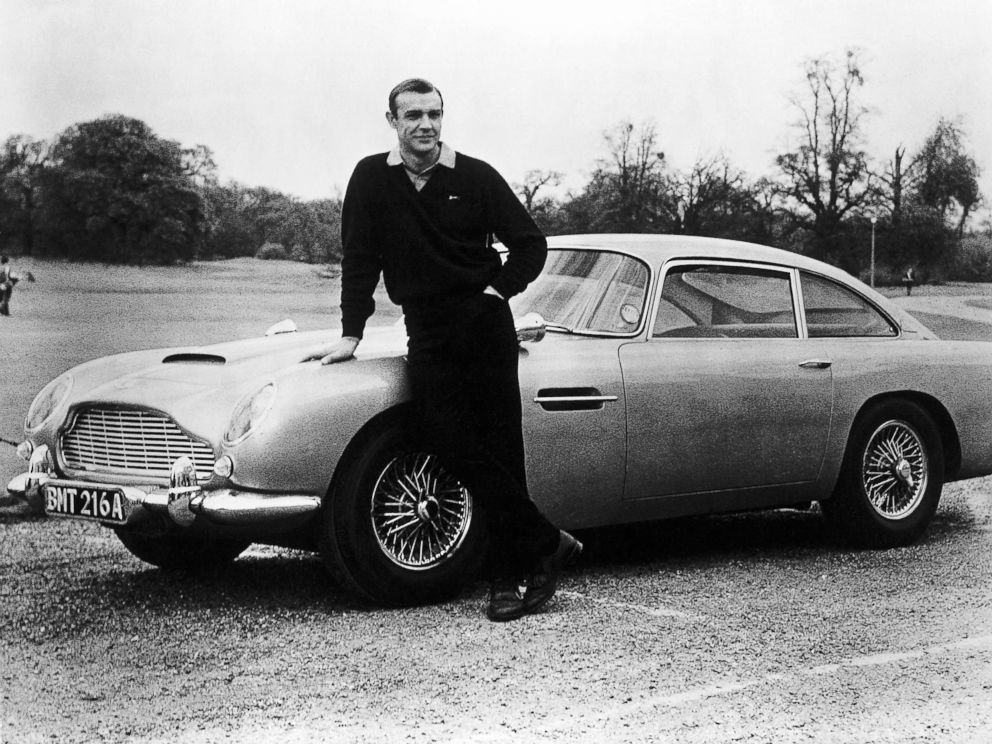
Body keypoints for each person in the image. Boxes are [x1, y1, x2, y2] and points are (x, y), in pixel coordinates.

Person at [305, 78, 581, 621]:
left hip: (482, 324)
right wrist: (350, 333)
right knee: (447, 440)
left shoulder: (474, 176)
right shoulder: (369, 178)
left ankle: (509, 576)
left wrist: (496, 290)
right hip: (426, 328)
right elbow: (359, 259)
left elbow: (530, 244)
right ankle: (548, 542)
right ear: (392, 121)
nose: (425, 125)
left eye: (433, 114)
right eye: (412, 116)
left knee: (500, 447)